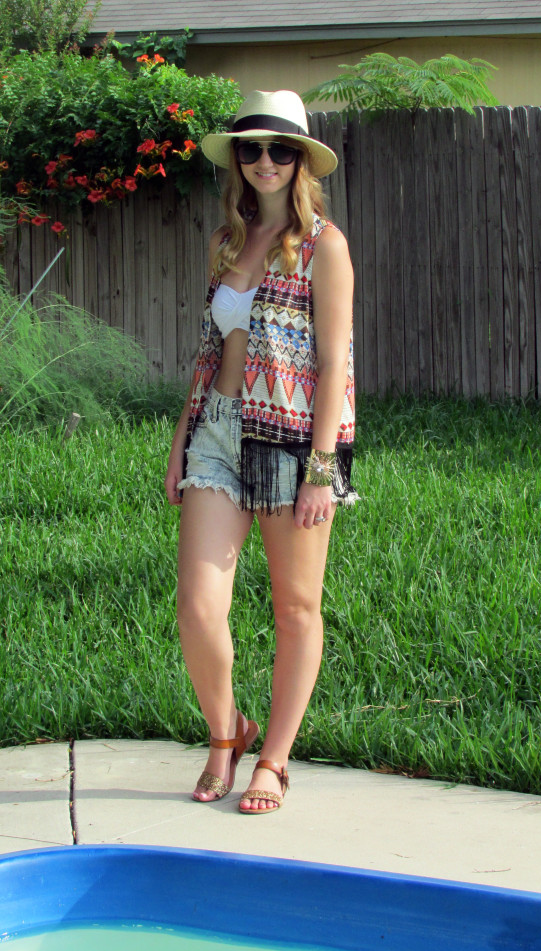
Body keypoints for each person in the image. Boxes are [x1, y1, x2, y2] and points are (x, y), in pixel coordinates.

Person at [164, 90, 357, 815]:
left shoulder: (323, 246)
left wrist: (321, 467)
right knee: (197, 606)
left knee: (296, 607)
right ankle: (227, 732)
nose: (266, 161)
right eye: (252, 149)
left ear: (301, 161)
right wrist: (183, 435)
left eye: (280, 150)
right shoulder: (227, 241)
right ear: (237, 161)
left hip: (290, 437)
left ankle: (273, 759)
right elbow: (210, 347)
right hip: (217, 428)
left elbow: (336, 363)